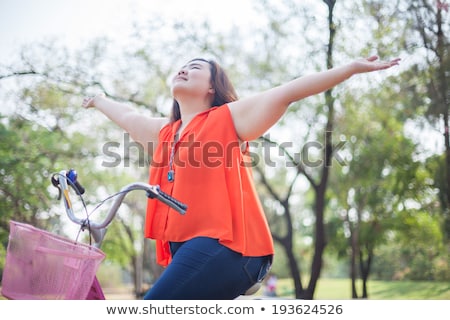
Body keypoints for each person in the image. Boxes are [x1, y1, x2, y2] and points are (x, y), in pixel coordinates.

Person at [82, 55, 400, 299]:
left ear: (211, 87)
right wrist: (98, 100)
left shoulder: (227, 118)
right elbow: (128, 116)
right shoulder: (165, 133)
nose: (183, 69)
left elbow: (289, 91)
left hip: (229, 247)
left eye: (194, 67)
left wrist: (351, 68)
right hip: (185, 249)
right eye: (182, 66)